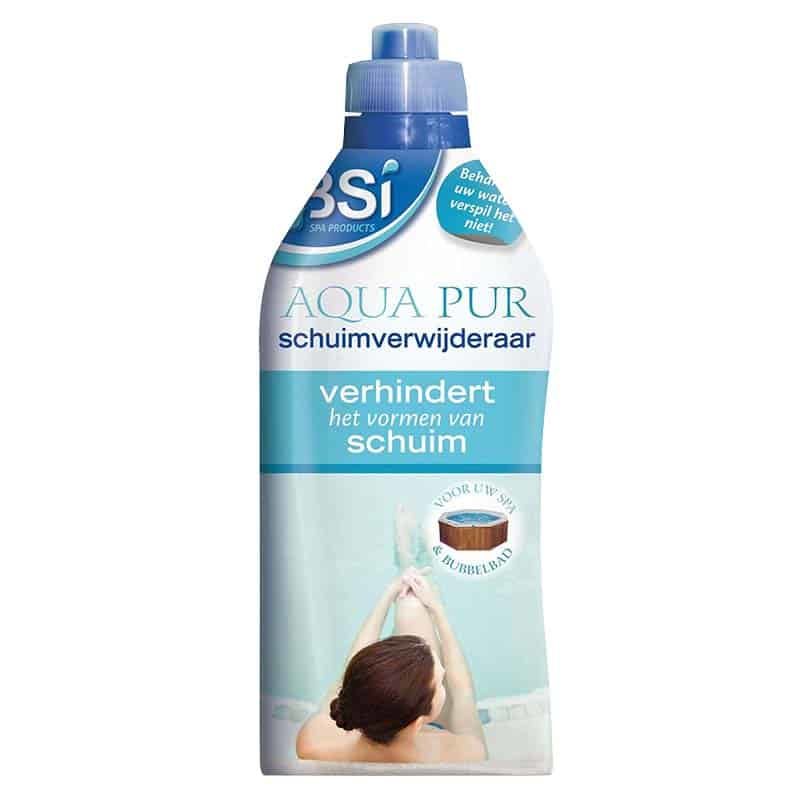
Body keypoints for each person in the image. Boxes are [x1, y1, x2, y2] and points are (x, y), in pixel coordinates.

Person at [296, 568, 488, 763]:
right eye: (440, 680)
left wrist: (388, 595)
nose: (445, 671)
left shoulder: (313, 743)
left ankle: (406, 584)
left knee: (408, 605)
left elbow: (349, 678)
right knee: (411, 607)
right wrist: (438, 610)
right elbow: (463, 694)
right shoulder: (462, 752)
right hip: (436, 726)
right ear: (419, 722)